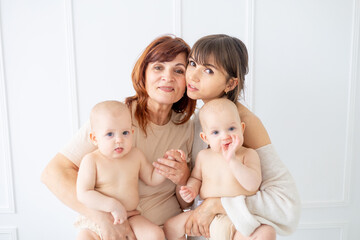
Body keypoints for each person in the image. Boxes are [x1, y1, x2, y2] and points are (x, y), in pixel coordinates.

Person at [41, 35, 196, 240]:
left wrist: (183, 178)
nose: (168, 77)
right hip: (110, 226)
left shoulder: (189, 127)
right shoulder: (116, 119)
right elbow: (53, 173)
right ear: (143, 73)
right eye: (158, 67)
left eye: (178, 70)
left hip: (161, 232)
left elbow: (187, 202)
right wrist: (105, 220)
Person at [154, 34, 301, 240]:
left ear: (230, 84)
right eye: (192, 63)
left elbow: (285, 204)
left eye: (208, 70)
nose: (193, 76)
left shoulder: (243, 123)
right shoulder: (197, 120)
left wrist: (216, 205)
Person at [164, 98, 262, 240]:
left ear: (242, 128)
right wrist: (191, 189)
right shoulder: (203, 156)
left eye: (232, 129)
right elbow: (196, 178)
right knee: (171, 226)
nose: (225, 136)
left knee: (262, 233)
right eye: (216, 132)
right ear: (205, 138)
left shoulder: (248, 154)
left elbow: (253, 184)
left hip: (236, 216)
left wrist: (233, 161)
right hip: (205, 213)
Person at [75, 100, 166, 239]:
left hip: (131, 216)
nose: (119, 140)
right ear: (94, 138)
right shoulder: (91, 160)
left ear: (132, 132)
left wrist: (165, 166)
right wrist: (112, 205)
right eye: (110, 134)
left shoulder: (136, 155)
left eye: (125, 133)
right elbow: (83, 193)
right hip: (98, 218)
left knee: (155, 234)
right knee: (84, 237)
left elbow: (152, 178)